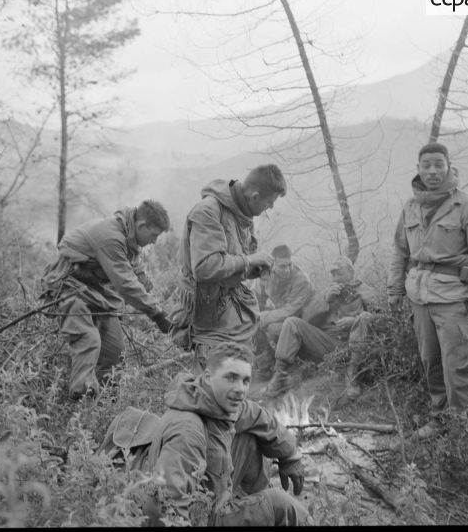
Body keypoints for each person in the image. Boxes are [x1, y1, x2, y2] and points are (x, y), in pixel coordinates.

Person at [387, 142, 468, 438]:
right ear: (418, 169)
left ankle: (467, 430)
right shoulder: (410, 207)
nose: (433, 171)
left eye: (438, 164)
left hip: (454, 299)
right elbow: (400, 252)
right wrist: (395, 291)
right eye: (426, 165)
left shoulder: (466, 205)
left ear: (449, 166)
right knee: (431, 362)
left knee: (458, 365)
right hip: (419, 298)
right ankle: (440, 420)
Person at [141, 342, 313, 527]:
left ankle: (252, 503)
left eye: (245, 380)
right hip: (200, 518)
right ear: (207, 377)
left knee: (251, 437)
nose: (240, 389)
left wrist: (290, 456)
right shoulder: (187, 431)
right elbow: (163, 507)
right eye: (231, 378)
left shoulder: (217, 403)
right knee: (278, 503)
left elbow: (258, 416)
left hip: (216, 498)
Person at [40, 200, 173, 400]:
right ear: (142, 225)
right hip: (68, 286)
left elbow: (133, 268)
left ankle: (106, 403)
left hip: (97, 292)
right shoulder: (110, 236)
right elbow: (125, 283)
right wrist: (157, 313)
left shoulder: (129, 234)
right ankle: (80, 402)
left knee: (113, 350)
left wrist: (148, 288)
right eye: (154, 235)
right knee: (88, 339)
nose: (154, 241)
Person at [172, 164, 287, 373]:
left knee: (236, 371)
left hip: (230, 307)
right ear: (254, 195)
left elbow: (232, 260)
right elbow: (206, 268)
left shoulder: (242, 214)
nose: (269, 208)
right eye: (269, 202)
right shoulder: (208, 211)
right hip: (207, 308)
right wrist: (250, 260)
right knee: (213, 375)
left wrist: (255, 268)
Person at [264, 256, 377, 399]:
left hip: (351, 345)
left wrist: (354, 321)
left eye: (339, 273)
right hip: (326, 343)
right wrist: (325, 301)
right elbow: (307, 320)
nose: (335, 278)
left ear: (351, 271)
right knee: (291, 322)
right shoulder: (327, 291)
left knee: (365, 317)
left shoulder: (364, 290)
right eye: (333, 274)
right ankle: (280, 374)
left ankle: (351, 375)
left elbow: (381, 318)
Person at [253, 245, 314, 380]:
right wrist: (257, 314)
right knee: (251, 321)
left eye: (289, 265)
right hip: (281, 316)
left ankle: (285, 366)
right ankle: (263, 364)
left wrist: (266, 317)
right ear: (273, 264)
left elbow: (291, 311)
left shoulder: (301, 279)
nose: (286, 270)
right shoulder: (266, 274)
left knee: (272, 328)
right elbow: (255, 299)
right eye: (282, 266)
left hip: (300, 323)